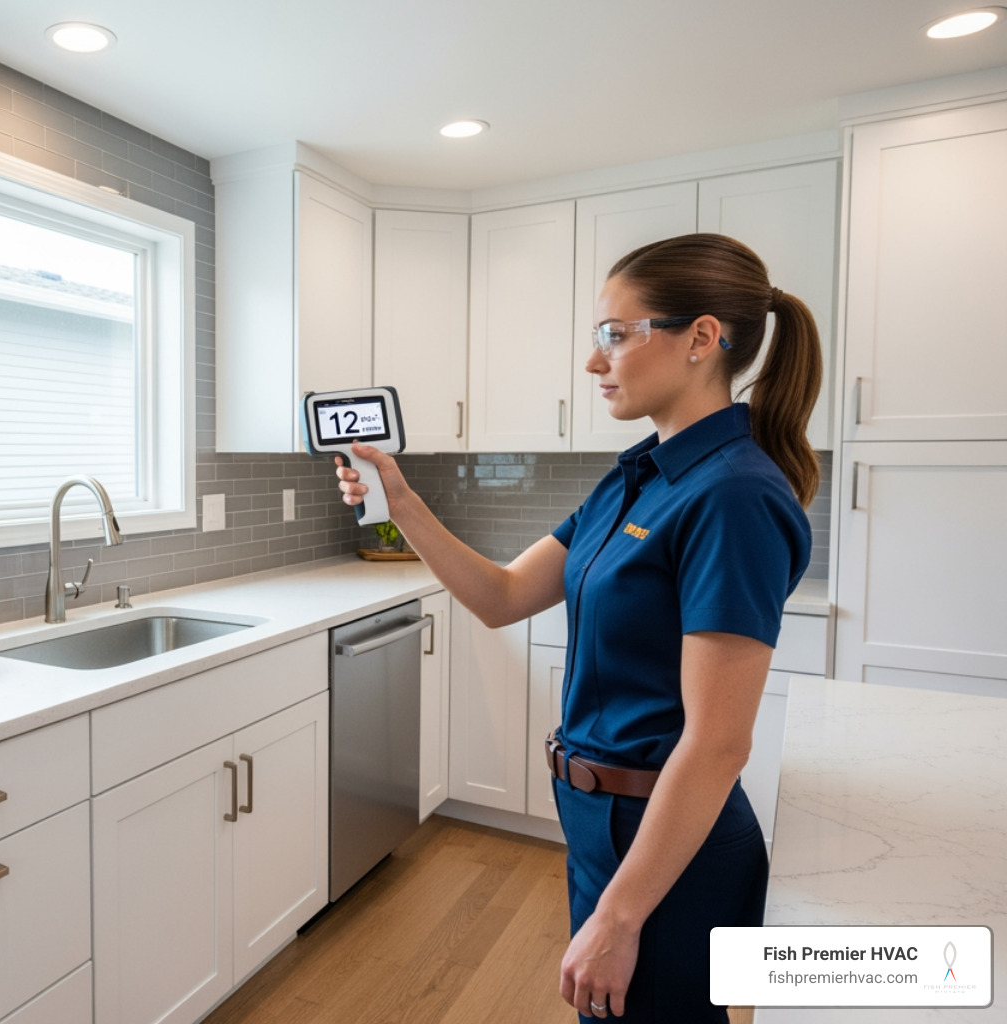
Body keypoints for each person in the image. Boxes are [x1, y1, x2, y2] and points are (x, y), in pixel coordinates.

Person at [333, 233, 821, 1022]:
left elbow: (718, 743)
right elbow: (501, 595)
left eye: (615, 335)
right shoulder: (638, 476)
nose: (594, 361)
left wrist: (620, 918)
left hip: (664, 845)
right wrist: (401, 500)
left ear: (701, 338)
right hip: (603, 824)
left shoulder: (733, 496)